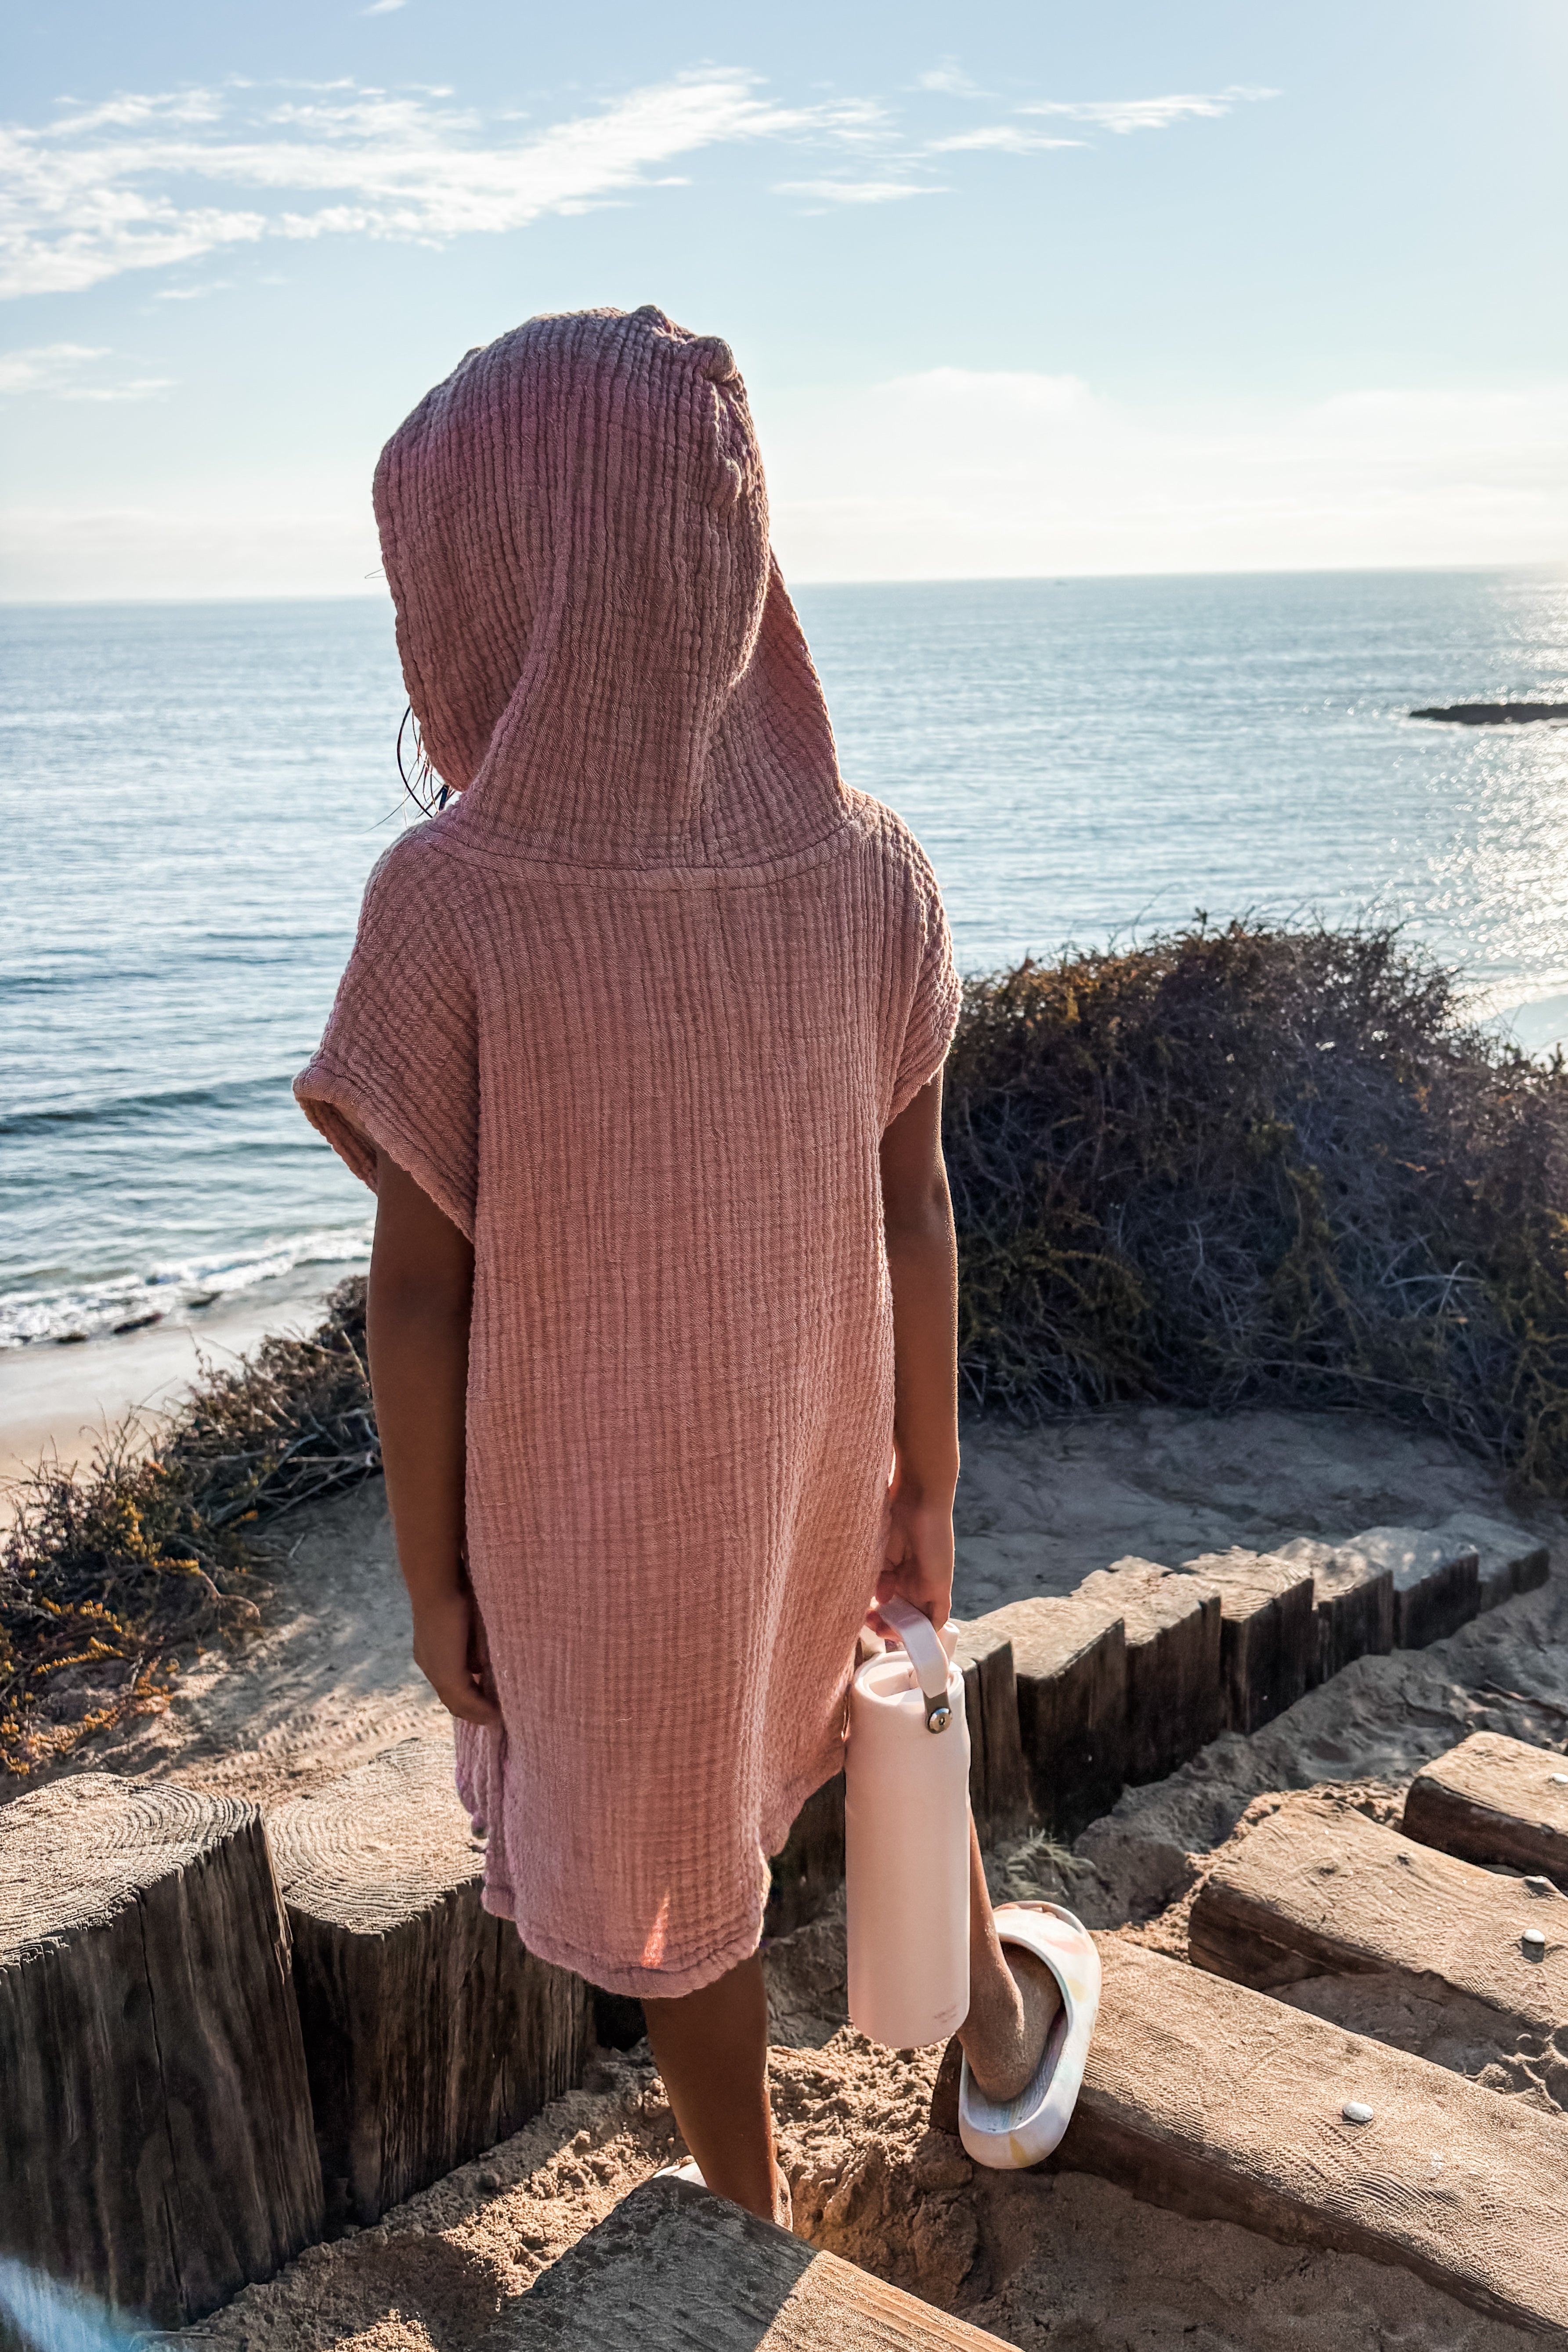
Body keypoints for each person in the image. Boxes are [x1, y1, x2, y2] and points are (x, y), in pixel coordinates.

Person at [296, 306, 1063, 2226]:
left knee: (672, 1860)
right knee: (881, 1709)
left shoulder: (451, 901)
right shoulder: (870, 867)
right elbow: (917, 1208)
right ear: (726, 557)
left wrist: (431, 1572)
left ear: (501, 580)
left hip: (583, 1528)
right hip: (820, 1456)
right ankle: (991, 2038)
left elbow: (419, 1297)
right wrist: (930, 1476)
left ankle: (750, 2202)